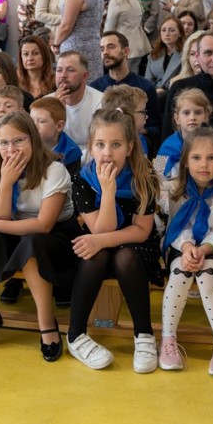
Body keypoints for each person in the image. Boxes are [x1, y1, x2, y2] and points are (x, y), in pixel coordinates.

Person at [0, 111, 80, 358]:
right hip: (16, 231)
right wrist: (6, 183)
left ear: (33, 139)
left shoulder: (54, 170)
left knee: (31, 244)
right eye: (4, 142)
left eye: (18, 141)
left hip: (56, 237)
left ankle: (46, 322)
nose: (11, 149)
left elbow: (44, 225)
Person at [65, 108, 160, 371]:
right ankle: (75, 335)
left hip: (137, 247)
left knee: (125, 255)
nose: (107, 153)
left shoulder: (145, 176)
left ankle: (144, 334)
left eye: (116, 144)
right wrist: (108, 192)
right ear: (91, 147)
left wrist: (100, 240)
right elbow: (100, 231)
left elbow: (141, 231)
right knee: (95, 255)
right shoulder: (82, 179)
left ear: (130, 147)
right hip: (101, 240)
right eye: (100, 144)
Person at [158, 127, 213, 375]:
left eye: (211, 158)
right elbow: (175, 226)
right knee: (180, 272)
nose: (204, 165)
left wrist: (203, 249)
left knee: (206, 274)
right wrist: (188, 247)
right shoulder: (174, 188)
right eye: (196, 158)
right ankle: (168, 340)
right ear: (185, 161)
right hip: (181, 246)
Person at [89, 31, 160, 146]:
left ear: (126, 51)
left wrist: (138, 130)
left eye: (111, 47)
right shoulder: (94, 88)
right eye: (102, 49)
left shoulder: (146, 87)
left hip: (138, 146)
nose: (105, 52)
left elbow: (156, 128)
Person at [53, 0, 105, 80]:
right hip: (93, 46)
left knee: (74, 87)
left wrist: (56, 43)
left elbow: (66, 25)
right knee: (92, 87)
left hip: (75, 50)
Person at [155, 87, 211, 189]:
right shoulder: (168, 146)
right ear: (177, 118)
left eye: (198, 113)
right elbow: (158, 178)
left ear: (206, 116)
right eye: (186, 113)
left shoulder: (211, 143)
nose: (192, 117)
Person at [104, 0, 151, 72]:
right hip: (138, 45)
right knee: (133, 76)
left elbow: (109, 26)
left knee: (119, 76)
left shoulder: (116, 1)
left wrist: (104, 43)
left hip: (122, 45)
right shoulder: (136, 0)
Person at [31, 96, 81, 175]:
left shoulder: (71, 152)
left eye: (41, 121)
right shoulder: (26, 143)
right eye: (31, 120)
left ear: (59, 126)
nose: (34, 126)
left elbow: (72, 180)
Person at [145, 16, 186, 97]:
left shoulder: (186, 54)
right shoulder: (153, 54)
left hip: (177, 94)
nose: (167, 34)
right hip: (155, 93)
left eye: (172, 30)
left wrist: (165, 91)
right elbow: (148, 80)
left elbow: (186, 79)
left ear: (180, 34)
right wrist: (155, 90)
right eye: (163, 30)